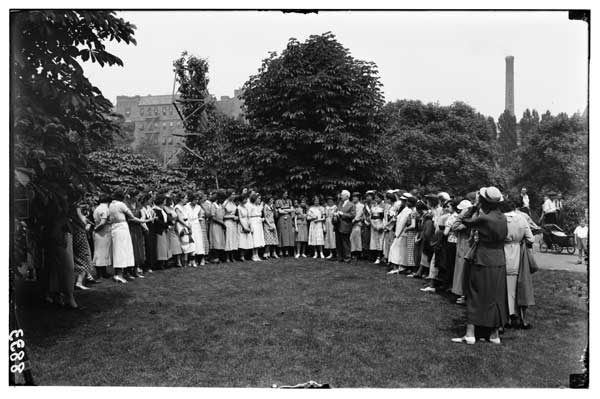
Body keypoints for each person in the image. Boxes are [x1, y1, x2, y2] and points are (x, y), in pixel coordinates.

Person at [452, 186, 508, 345]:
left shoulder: (483, 218)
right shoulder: (502, 218)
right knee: (495, 296)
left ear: (483, 201)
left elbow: (464, 221)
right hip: (499, 260)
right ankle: (494, 334)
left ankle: (470, 333)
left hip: (482, 258)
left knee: (475, 293)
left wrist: (473, 208)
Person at [502, 199, 535, 329]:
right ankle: (519, 316)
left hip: (502, 252)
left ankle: (507, 317)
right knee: (519, 286)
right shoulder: (521, 219)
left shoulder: (501, 219)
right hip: (517, 255)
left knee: (504, 286)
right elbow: (531, 238)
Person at [109, 189, 148, 283]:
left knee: (118, 251)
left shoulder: (111, 204)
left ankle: (120, 273)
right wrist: (145, 221)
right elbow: (132, 216)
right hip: (122, 228)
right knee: (123, 251)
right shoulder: (121, 205)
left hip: (115, 228)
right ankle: (119, 275)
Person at [70, 202, 97, 290]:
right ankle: (79, 282)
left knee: (79, 257)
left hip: (75, 235)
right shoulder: (77, 210)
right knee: (84, 257)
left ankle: (81, 279)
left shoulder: (71, 214)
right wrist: (87, 222)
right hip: (80, 235)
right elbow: (83, 223)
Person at [450, 199, 473, 304]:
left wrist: (462, 215)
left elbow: (454, 226)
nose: (459, 212)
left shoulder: (468, 221)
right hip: (462, 246)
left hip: (466, 246)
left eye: (461, 210)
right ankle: (460, 292)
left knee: (463, 271)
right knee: (460, 270)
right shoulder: (466, 221)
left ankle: (464, 294)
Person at [387, 193, 412, 274]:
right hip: (400, 232)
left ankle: (398, 267)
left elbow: (403, 222)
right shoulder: (403, 209)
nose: (402, 202)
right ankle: (398, 267)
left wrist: (397, 233)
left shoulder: (407, 210)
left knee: (396, 250)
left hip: (402, 233)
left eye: (404, 201)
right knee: (398, 250)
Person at [92, 194, 112, 279]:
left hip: (100, 233)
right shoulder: (105, 209)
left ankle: (102, 272)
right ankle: (100, 273)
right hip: (103, 232)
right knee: (102, 252)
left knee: (99, 251)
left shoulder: (97, 208)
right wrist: (96, 228)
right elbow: (103, 222)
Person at [127, 193, 146, 278]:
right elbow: (129, 218)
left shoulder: (138, 205)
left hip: (138, 228)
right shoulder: (126, 205)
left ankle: (137, 268)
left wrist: (142, 222)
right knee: (133, 248)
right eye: (136, 196)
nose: (137, 198)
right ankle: (130, 270)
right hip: (131, 228)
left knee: (139, 247)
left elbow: (142, 215)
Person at [186, 192, 207, 267]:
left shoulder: (198, 207)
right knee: (191, 243)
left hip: (197, 226)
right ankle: (191, 260)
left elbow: (200, 216)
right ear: (191, 200)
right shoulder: (186, 206)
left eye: (197, 200)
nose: (196, 201)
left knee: (199, 242)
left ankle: (201, 259)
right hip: (189, 225)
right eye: (195, 200)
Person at [174, 192, 194, 267]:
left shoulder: (185, 207)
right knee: (184, 241)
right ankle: (183, 261)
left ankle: (187, 260)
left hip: (187, 224)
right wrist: (187, 226)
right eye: (185, 198)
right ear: (181, 199)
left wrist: (189, 226)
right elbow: (180, 219)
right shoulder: (177, 207)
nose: (187, 200)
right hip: (181, 226)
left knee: (189, 242)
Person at [335, 190, 356, 263]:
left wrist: (342, 214)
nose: (341, 196)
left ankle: (347, 258)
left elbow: (352, 215)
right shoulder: (340, 203)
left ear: (347, 196)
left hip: (346, 226)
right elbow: (337, 211)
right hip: (338, 225)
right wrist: (336, 214)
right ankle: (340, 257)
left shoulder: (351, 205)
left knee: (345, 242)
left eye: (342, 195)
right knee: (338, 242)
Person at [275, 191, 295, 257]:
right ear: (282, 194)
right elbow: (279, 211)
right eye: (284, 194)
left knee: (288, 234)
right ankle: (280, 251)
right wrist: (287, 209)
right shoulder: (278, 201)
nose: (286, 195)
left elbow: (292, 209)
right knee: (281, 234)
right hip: (281, 218)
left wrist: (284, 209)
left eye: (287, 194)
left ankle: (286, 251)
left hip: (288, 218)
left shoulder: (289, 201)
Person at [164, 196, 183, 267]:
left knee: (177, 243)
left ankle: (178, 260)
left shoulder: (172, 208)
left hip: (175, 227)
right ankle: (170, 260)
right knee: (169, 244)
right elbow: (168, 217)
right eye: (169, 201)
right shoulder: (165, 208)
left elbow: (176, 216)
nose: (171, 202)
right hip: (169, 228)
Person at [209, 190, 227, 263]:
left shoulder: (221, 206)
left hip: (221, 225)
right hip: (215, 225)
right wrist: (221, 223)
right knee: (215, 240)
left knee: (221, 241)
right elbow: (213, 217)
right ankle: (215, 258)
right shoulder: (213, 205)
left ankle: (220, 257)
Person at [141, 193, 156, 273]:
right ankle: (146, 265)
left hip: (152, 227)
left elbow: (152, 215)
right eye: (150, 200)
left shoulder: (149, 208)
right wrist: (146, 229)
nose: (151, 201)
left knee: (152, 246)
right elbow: (143, 221)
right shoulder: (142, 209)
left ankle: (152, 264)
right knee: (147, 247)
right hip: (147, 228)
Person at [223, 189, 240, 263]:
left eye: (234, 194)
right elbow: (223, 216)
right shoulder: (225, 203)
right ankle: (227, 257)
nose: (234, 196)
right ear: (228, 195)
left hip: (234, 223)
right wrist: (231, 217)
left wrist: (236, 217)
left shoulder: (233, 203)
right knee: (228, 239)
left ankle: (232, 256)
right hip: (228, 222)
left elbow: (235, 212)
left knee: (233, 238)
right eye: (232, 194)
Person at [369, 192, 385, 264]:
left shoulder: (384, 206)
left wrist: (381, 226)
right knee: (374, 240)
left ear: (381, 198)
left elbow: (384, 217)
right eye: (375, 198)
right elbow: (371, 215)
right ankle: (374, 255)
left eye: (377, 198)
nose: (376, 199)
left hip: (380, 223)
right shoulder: (373, 205)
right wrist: (372, 224)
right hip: (373, 223)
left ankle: (380, 256)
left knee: (380, 240)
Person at [249, 193, 265, 261]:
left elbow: (260, 214)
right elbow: (249, 216)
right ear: (254, 199)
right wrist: (250, 226)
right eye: (258, 198)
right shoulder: (251, 206)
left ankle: (257, 254)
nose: (259, 200)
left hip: (259, 223)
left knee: (258, 238)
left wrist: (261, 219)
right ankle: (253, 255)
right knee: (254, 238)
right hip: (253, 222)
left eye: (260, 199)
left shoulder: (259, 206)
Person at [237, 194, 253, 261]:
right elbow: (240, 218)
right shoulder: (238, 208)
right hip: (242, 224)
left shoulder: (246, 207)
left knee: (247, 239)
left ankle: (247, 255)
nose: (246, 200)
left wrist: (249, 225)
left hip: (246, 222)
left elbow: (248, 216)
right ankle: (241, 256)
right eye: (245, 199)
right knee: (242, 240)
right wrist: (244, 227)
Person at [350, 192, 364, 261]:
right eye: (353, 197)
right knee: (351, 238)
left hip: (357, 224)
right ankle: (352, 252)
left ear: (358, 198)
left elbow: (358, 215)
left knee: (357, 239)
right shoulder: (352, 205)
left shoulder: (360, 206)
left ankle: (357, 253)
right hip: (351, 224)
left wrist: (353, 221)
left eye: (355, 197)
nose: (354, 198)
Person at [362, 190, 374, 260]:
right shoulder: (365, 204)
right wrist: (365, 219)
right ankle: (366, 254)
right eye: (367, 196)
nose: (368, 198)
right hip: (366, 223)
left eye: (369, 196)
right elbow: (364, 212)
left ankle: (371, 254)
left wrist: (370, 219)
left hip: (372, 222)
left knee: (371, 238)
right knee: (365, 238)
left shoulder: (374, 204)